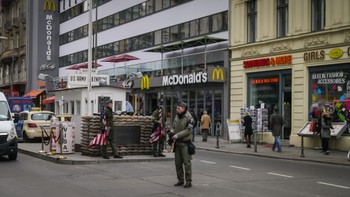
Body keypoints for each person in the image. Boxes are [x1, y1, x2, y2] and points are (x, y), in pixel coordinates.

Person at [171, 101, 194, 188]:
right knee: (178, 163)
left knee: (187, 163)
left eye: (178, 108)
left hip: (185, 144)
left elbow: (189, 130)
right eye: (177, 108)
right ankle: (180, 180)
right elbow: (173, 126)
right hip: (177, 144)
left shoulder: (189, 118)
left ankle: (188, 181)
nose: (177, 109)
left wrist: (177, 135)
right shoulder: (177, 116)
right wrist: (172, 132)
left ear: (183, 109)